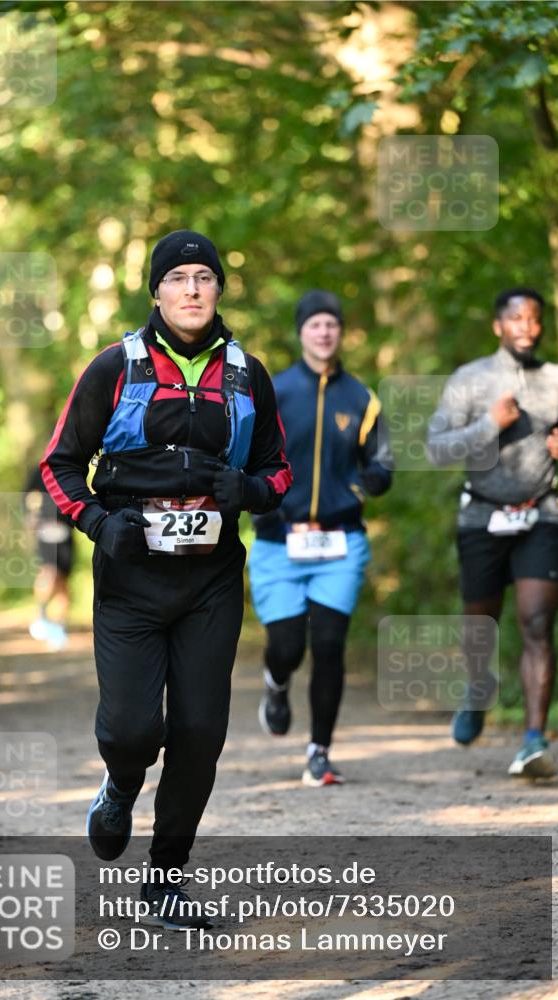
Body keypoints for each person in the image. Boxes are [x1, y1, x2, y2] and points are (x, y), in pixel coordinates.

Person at [41, 230, 291, 928]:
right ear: (155, 290)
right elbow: (58, 464)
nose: (190, 289)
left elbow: (278, 470)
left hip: (210, 580)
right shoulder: (113, 367)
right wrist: (97, 522)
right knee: (129, 730)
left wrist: (249, 491)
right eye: (176, 277)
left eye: (203, 277)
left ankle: (165, 882)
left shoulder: (247, 374)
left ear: (218, 289)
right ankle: (120, 785)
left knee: (200, 730)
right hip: (130, 577)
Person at [248, 290, 393, 786]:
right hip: (278, 541)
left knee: (329, 644)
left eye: (332, 324)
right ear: (302, 331)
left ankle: (319, 752)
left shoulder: (361, 398)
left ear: (341, 331)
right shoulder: (275, 390)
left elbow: (380, 459)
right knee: (287, 645)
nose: (324, 332)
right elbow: (246, 456)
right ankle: (276, 682)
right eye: (315, 325)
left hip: (340, 541)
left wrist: (372, 479)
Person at [427, 287, 558, 778]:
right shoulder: (470, 379)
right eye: (516, 318)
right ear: (499, 326)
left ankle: (533, 739)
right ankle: (477, 686)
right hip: (482, 517)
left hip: (541, 515)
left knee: (536, 624)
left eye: (534, 319)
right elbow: (437, 450)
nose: (526, 327)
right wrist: (489, 424)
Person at [24, 464, 75, 650]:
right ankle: (42, 615)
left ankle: (58, 628)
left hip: (66, 532)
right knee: (48, 572)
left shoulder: (73, 466)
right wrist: (29, 516)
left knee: (64, 583)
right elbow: (25, 493)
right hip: (46, 530)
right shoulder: (42, 469)